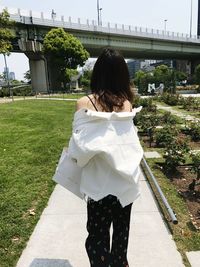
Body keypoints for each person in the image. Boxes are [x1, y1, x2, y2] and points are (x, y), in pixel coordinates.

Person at [68, 48, 143, 267]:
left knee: (97, 239)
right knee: (121, 239)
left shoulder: (84, 103)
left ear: (97, 72)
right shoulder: (126, 104)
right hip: (124, 183)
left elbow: (79, 148)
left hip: (98, 186)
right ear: (122, 75)